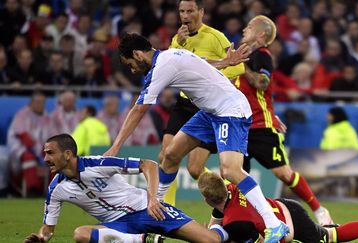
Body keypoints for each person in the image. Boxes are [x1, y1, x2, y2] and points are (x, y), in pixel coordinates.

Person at [104, 33, 288, 242]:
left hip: (230, 111)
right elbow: (202, 63)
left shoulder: (161, 66)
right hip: (209, 112)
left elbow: (139, 109)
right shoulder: (172, 54)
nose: (133, 69)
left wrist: (115, 146)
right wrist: (225, 62)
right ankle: (158, 216)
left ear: (137, 54)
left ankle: (273, 223)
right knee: (171, 155)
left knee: (230, 170)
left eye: (130, 64)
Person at [24, 134, 229, 243]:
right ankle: (142, 240)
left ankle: (226, 221)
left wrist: (152, 199)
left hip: (149, 210)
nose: (45, 159)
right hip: (118, 227)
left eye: (50, 153)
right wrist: (42, 237)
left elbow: (147, 165)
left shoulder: (98, 164)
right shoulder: (56, 189)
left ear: (67, 154)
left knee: (211, 240)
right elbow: (48, 229)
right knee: (81, 234)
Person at [238, 15, 333, 225]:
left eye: (250, 26)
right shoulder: (241, 57)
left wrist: (242, 67)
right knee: (235, 176)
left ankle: (319, 211)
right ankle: (231, 222)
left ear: (261, 33)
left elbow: (263, 83)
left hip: (261, 127)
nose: (245, 28)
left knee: (283, 173)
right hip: (239, 126)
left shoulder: (261, 56)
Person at [162, 0, 246, 205]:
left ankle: (229, 195)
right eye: (181, 11)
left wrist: (210, 76)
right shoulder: (177, 39)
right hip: (184, 103)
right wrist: (178, 45)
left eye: (190, 11)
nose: (185, 16)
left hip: (207, 107)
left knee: (194, 169)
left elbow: (239, 67)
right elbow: (173, 67)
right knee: (166, 156)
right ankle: (167, 210)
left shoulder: (215, 37)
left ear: (201, 12)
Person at [198, 172, 358, 243]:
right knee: (331, 233)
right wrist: (211, 233)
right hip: (284, 206)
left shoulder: (236, 223)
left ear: (208, 199)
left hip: (293, 223)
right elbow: (219, 213)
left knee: (333, 238)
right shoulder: (230, 187)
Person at [7, 91, 50, 196]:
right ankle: (32, 190)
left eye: (42, 102)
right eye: (37, 102)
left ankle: (52, 189)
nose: (40, 105)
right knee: (29, 159)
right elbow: (23, 135)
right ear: (31, 103)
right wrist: (38, 152)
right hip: (21, 147)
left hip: (40, 148)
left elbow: (50, 136)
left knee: (54, 158)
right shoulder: (22, 115)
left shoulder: (47, 117)